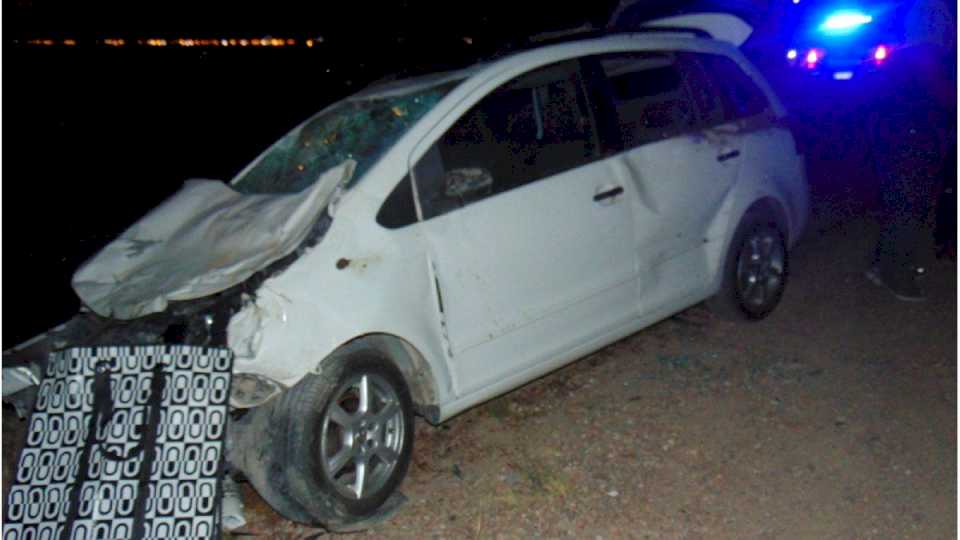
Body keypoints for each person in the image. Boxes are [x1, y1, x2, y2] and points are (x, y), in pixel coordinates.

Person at [865, 0, 955, 301]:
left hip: (898, 144)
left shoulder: (901, 59)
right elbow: (937, 107)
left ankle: (883, 265)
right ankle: (896, 274)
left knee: (901, 208)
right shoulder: (935, 60)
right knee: (909, 210)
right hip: (913, 146)